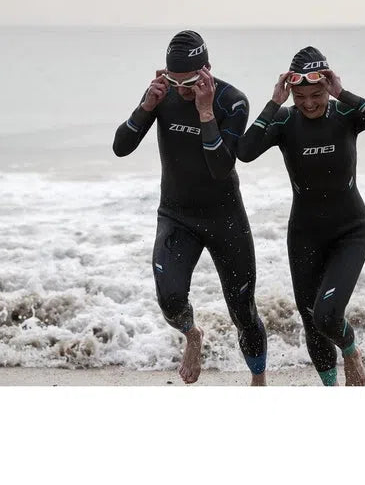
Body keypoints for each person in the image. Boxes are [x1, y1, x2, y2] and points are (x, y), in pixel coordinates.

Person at [237, 46, 365, 386]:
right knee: (311, 319)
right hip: (305, 234)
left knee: (327, 316)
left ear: (327, 86)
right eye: (300, 97)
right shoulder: (284, 120)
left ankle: (350, 350)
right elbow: (245, 152)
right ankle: (331, 389)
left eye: (317, 94)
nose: (309, 103)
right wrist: (274, 103)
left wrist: (343, 93)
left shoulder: (346, 113)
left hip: (350, 230)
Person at [113, 30, 268, 386]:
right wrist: (146, 107)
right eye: (173, 81)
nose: (181, 90)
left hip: (224, 217)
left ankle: (259, 381)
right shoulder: (161, 95)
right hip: (177, 215)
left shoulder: (232, 102)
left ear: (207, 71)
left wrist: (204, 111)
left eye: (190, 82)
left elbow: (220, 167)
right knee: (169, 299)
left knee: (243, 312)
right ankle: (192, 335)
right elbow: (121, 147)